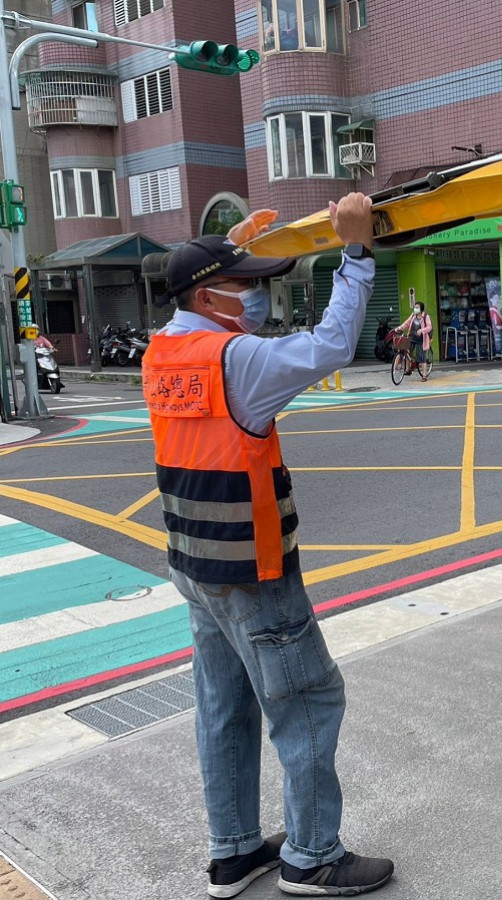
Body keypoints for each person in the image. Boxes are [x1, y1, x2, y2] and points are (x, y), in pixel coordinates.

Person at [142, 194, 394, 898]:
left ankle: (233, 852)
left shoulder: (165, 351)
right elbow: (333, 346)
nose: (256, 295)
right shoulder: (237, 358)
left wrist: (227, 241)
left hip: (196, 569)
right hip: (254, 572)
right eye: (247, 283)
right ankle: (313, 858)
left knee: (224, 706)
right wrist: (355, 253)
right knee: (310, 701)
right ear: (211, 295)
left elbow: (197, 287)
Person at [399, 300, 433, 380]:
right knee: (407, 352)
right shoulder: (413, 315)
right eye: (415, 307)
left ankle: (424, 375)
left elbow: (429, 327)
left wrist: (421, 331)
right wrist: (399, 328)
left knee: (421, 357)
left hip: (421, 339)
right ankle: (408, 369)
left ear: (421, 309)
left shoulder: (425, 316)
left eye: (417, 307)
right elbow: (407, 323)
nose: (415, 309)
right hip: (412, 337)